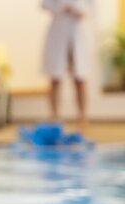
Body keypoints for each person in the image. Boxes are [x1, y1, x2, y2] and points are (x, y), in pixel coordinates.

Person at [41, 0, 92, 128]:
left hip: (76, 30)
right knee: (55, 77)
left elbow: (91, 7)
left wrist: (78, 10)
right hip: (57, 31)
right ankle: (54, 116)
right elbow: (44, 4)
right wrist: (62, 7)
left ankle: (82, 117)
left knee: (80, 78)